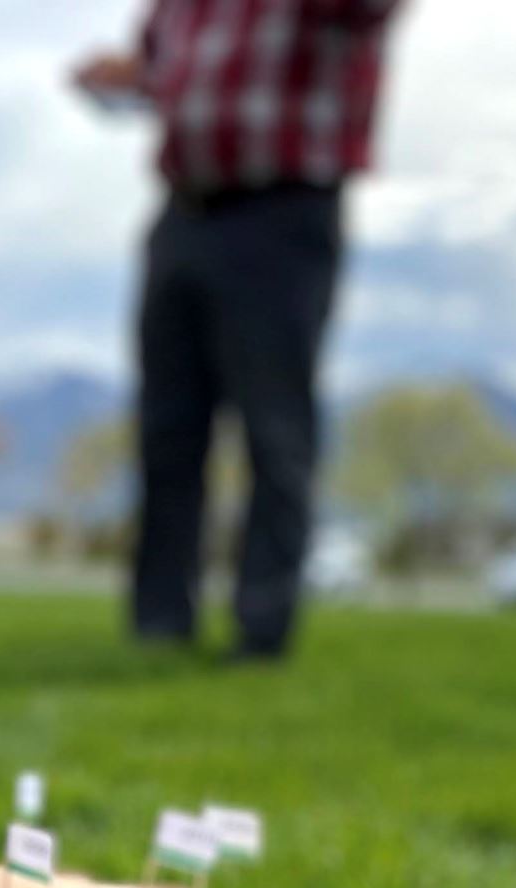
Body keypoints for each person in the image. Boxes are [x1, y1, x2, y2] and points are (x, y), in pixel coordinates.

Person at [74, 0, 402, 663]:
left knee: (274, 424)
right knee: (167, 428)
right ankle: (161, 621)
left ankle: (262, 627)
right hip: (185, 210)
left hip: (284, 207)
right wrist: (129, 79)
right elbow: (164, 71)